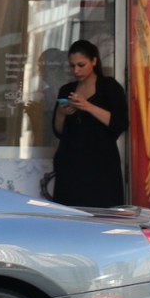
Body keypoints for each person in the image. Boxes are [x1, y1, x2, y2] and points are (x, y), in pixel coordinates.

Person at [52, 40, 129, 207]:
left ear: (94, 61)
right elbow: (58, 131)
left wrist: (88, 107)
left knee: (101, 213)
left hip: (101, 164)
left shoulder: (109, 87)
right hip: (70, 162)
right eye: (72, 66)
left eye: (81, 65)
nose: (76, 71)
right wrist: (61, 113)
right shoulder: (67, 89)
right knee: (70, 214)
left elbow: (120, 123)